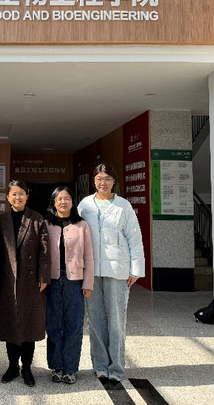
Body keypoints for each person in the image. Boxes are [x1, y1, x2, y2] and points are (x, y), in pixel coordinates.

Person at [78, 163, 144, 383]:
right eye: (99, 178)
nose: (102, 182)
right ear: (93, 181)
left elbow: (134, 238)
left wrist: (135, 269)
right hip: (92, 271)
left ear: (114, 181)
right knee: (95, 319)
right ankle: (99, 365)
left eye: (107, 178)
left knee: (116, 320)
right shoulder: (85, 205)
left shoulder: (123, 206)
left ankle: (116, 367)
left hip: (117, 270)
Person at [0, 180, 50, 387]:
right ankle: (12, 366)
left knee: (28, 325)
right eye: (13, 194)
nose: (17, 197)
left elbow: (45, 251)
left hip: (30, 281)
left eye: (21, 194)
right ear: (8, 197)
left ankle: (27, 367)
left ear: (27, 196)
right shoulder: (2, 220)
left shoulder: (37, 219)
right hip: (7, 280)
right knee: (10, 325)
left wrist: (44, 276)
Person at [45, 186, 93, 385]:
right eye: (59, 199)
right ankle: (56, 366)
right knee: (53, 324)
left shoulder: (82, 225)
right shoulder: (47, 224)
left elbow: (89, 256)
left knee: (74, 325)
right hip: (52, 280)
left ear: (73, 202)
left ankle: (71, 368)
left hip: (75, 281)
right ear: (53, 202)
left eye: (67, 198)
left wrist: (88, 282)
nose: (63, 202)